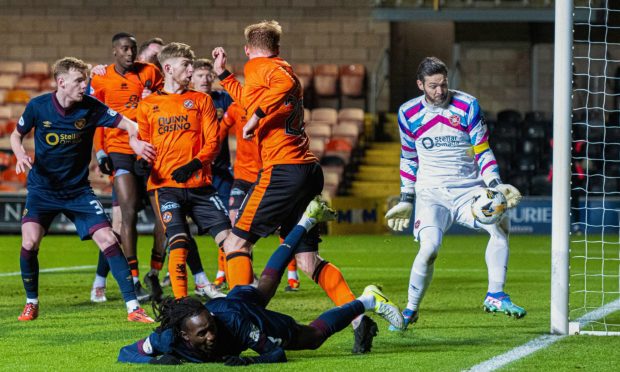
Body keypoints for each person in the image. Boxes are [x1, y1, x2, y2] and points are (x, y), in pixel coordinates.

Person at [211, 20, 379, 354]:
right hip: (304, 170)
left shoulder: (267, 68)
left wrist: (257, 116)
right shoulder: (271, 70)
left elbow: (278, 90)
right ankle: (359, 317)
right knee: (306, 261)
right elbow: (254, 98)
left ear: (249, 49)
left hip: (283, 171)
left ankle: (239, 322)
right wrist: (225, 76)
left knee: (235, 243)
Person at [118, 198, 404, 365]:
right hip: (229, 303)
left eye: (210, 328)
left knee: (312, 339)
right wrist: (153, 361)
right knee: (266, 284)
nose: (211, 336)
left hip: (242, 314)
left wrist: (249, 361)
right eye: (203, 333)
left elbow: (276, 354)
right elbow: (126, 353)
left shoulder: (236, 327)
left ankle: (367, 299)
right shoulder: (167, 339)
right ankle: (306, 220)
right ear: (183, 337)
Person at [384, 57, 526, 331]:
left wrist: (495, 185)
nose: (440, 91)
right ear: (420, 85)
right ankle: (410, 310)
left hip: (469, 191)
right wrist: (406, 198)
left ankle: (495, 295)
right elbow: (408, 157)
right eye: (433, 86)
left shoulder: (467, 105)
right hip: (431, 194)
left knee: (501, 223)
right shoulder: (407, 113)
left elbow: (482, 149)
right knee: (429, 250)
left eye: (444, 85)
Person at [11, 56, 156, 323]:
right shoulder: (38, 106)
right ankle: (31, 303)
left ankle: (133, 308)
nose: (84, 85)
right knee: (29, 242)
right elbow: (16, 134)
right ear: (61, 82)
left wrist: (135, 142)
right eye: (79, 81)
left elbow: (130, 125)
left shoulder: (91, 107)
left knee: (109, 240)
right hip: (43, 190)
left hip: (78, 191)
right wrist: (19, 154)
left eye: (85, 80)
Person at [136, 42, 231, 300]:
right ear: (168, 68)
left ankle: (243, 300)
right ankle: (181, 305)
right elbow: (144, 144)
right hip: (166, 188)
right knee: (178, 243)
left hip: (201, 185)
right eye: (186, 65)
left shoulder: (201, 100)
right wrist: (142, 161)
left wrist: (194, 164)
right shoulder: (147, 105)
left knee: (231, 242)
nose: (191, 69)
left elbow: (213, 143)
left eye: (191, 65)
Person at [89, 32, 166, 303]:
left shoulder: (151, 74)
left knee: (165, 216)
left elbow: (168, 102)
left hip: (150, 150)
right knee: (127, 212)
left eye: (133, 49)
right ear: (114, 52)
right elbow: (93, 116)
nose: (130, 54)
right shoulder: (100, 78)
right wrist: (99, 151)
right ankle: (132, 279)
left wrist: (154, 97)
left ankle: (154, 273)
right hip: (119, 150)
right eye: (125, 49)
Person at [218, 101, 300, 291]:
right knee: (233, 224)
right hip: (241, 177)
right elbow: (220, 131)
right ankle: (227, 275)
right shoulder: (236, 107)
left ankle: (292, 275)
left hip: (267, 175)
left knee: (285, 225)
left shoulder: (271, 106)